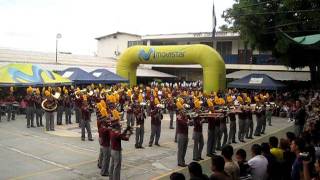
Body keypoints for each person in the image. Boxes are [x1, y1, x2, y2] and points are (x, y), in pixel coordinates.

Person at [176, 102, 189, 167]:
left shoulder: (185, 116)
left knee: (184, 149)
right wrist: (188, 122)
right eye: (183, 109)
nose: (184, 110)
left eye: (185, 109)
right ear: (180, 110)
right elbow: (183, 123)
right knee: (181, 149)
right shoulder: (179, 116)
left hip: (186, 134)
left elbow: (188, 123)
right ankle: (180, 162)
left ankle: (182, 161)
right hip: (181, 134)